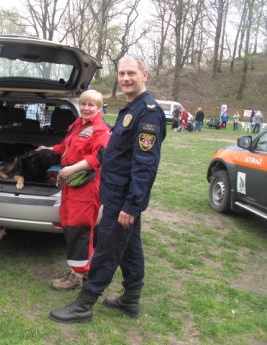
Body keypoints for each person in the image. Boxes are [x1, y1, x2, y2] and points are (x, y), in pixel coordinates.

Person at [49, 54, 166, 323]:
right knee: (131, 248)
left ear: (144, 75)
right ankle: (131, 299)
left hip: (123, 199)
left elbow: (145, 166)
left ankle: (84, 304)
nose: (125, 78)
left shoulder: (148, 114)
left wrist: (131, 206)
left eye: (131, 74)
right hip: (113, 193)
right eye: (121, 73)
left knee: (106, 249)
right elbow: (113, 153)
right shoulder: (130, 109)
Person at [37, 90, 110, 290]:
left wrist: (71, 169)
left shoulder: (100, 130)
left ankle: (77, 276)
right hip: (72, 185)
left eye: (91, 105)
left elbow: (99, 157)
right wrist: (49, 149)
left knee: (80, 230)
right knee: (71, 225)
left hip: (85, 186)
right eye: (84, 104)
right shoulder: (78, 125)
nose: (86, 108)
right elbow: (66, 147)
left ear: (99, 108)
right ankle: (84, 270)